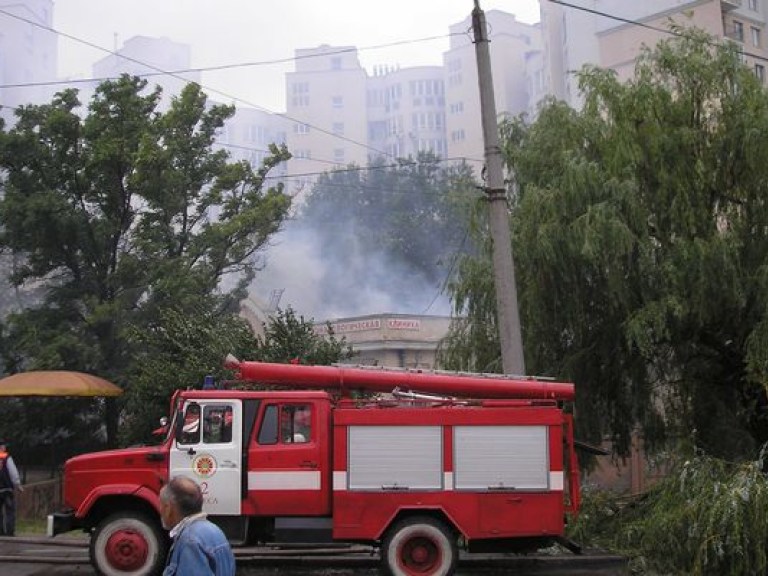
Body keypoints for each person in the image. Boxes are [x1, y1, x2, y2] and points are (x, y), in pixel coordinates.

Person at [160, 476, 235, 576]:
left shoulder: (189, 541)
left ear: (168, 508)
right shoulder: (214, 530)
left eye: (161, 505)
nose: (160, 510)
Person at [0, 440, 23, 537]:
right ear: (2, 447)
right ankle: (10, 532)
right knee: (10, 511)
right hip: (7, 489)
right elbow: (13, 473)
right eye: (4, 446)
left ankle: (0, 532)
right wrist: (18, 485)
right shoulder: (6, 458)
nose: (5, 448)